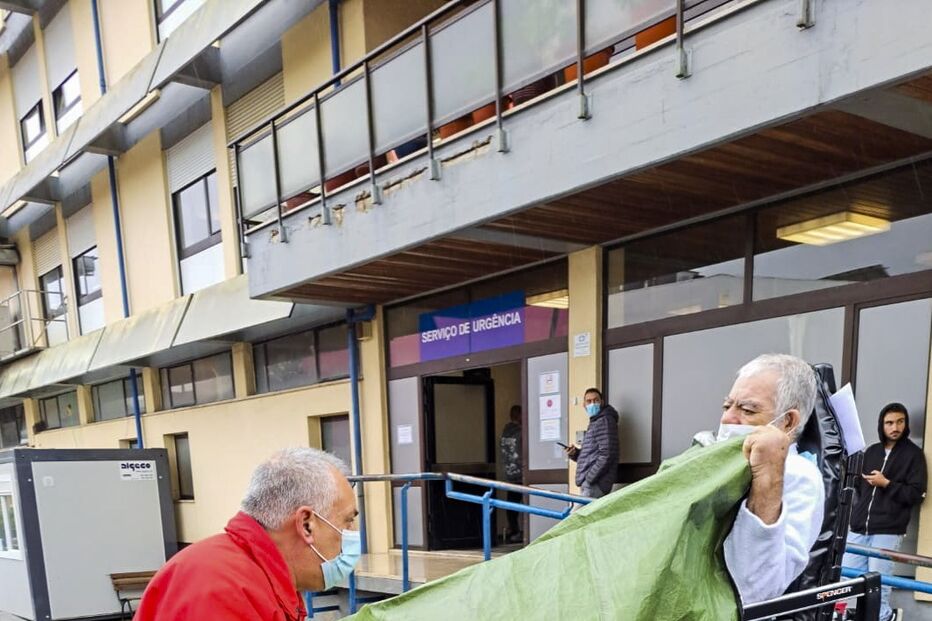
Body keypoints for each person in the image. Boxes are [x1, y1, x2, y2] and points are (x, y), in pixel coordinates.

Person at [135, 448, 360, 620]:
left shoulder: (250, 575)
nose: (352, 533)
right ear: (306, 524)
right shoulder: (224, 593)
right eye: (348, 521)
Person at [719, 353, 825, 606]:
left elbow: (754, 588)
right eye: (727, 406)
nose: (728, 419)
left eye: (747, 410)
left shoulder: (800, 475)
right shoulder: (721, 460)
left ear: (787, 422)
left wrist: (768, 478)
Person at [843, 402, 928, 621]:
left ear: (906, 424)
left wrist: (886, 484)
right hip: (859, 528)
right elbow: (859, 488)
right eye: (889, 423)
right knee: (847, 580)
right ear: (882, 425)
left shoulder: (913, 455)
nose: (895, 427)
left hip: (888, 530)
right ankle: (852, 616)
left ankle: (884, 617)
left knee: (879, 584)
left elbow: (916, 494)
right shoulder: (871, 451)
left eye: (900, 422)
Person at [565, 387, 619, 498]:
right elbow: (592, 456)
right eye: (589, 401)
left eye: (596, 400)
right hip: (591, 483)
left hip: (595, 484)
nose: (592, 404)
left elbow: (607, 454)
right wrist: (575, 453)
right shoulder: (596, 421)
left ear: (602, 402)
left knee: (578, 510)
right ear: (584, 405)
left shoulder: (604, 420)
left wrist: (589, 478)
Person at [499, 404, 524, 543]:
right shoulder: (521, 432)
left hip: (509, 472)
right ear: (519, 415)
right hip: (521, 472)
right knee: (523, 503)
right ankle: (519, 532)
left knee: (512, 502)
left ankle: (513, 529)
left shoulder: (505, 432)